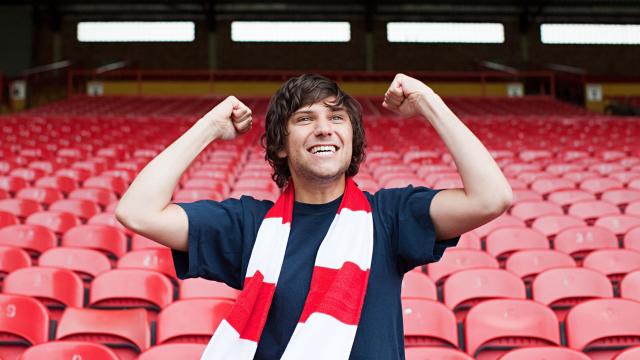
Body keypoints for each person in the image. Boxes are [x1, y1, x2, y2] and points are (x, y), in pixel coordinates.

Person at [115, 73, 513, 359]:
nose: (324, 129)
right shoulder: (249, 227)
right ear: (281, 146)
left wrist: (428, 101)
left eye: (336, 118)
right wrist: (209, 127)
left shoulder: (388, 218)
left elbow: (490, 198)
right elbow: (137, 211)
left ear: (351, 140)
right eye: (305, 119)